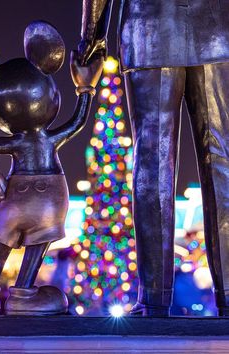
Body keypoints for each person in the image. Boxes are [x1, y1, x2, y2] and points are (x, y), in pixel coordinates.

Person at [78, 0, 229, 316]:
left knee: (152, 162)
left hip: (150, 29)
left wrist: (92, 35)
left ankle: (154, 300)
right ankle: (227, 293)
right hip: (218, 31)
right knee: (221, 162)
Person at [0, 20, 103, 315]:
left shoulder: (17, 141)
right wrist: (86, 87)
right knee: (37, 243)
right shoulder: (49, 139)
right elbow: (78, 122)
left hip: (14, 198)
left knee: (1, 242)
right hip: (47, 198)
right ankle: (23, 294)